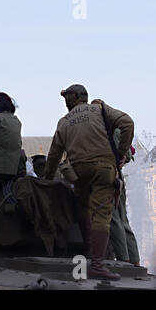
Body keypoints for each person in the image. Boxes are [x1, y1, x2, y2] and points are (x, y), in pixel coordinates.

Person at [44, 84, 134, 281]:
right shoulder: (99, 109)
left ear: (76, 96)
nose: (65, 101)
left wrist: (47, 180)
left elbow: (53, 156)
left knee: (83, 209)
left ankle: (89, 254)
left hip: (78, 172)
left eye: (67, 96)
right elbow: (127, 123)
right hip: (103, 169)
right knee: (101, 214)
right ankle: (98, 264)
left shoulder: (63, 121)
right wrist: (120, 153)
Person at [91, 99, 140, 265]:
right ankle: (134, 262)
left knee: (113, 219)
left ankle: (124, 260)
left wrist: (116, 158)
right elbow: (129, 156)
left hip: (111, 178)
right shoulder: (117, 129)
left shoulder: (108, 130)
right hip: (118, 178)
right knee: (124, 221)